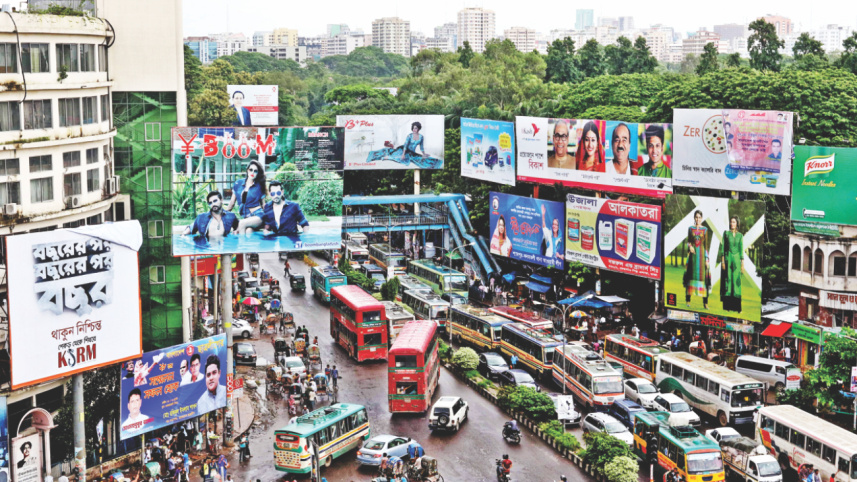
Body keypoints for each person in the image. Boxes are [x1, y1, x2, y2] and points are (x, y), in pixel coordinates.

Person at [226, 160, 267, 235]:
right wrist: (222, 215)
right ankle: (246, 246)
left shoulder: (259, 186)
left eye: (255, 171)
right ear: (247, 170)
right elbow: (231, 203)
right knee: (248, 231)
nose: (252, 172)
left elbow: (264, 205)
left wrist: (269, 222)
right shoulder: (238, 183)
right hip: (246, 218)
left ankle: (241, 246)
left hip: (258, 215)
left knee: (241, 223)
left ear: (258, 173)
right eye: (250, 170)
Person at [683, 210, 711, 310]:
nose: (697, 219)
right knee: (690, 276)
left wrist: (707, 259)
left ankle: (705, 303)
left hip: (702, 255)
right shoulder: (690, 228)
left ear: (701, 218)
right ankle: (688, 300)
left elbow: (706, 245)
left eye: (699, 217)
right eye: (696, 217)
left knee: (704, 279)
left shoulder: (705, 229)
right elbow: (688, 241)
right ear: (694, 218)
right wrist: (690, 246)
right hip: (693, 257)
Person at [719, 215, 745, 313]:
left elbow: (741, 250)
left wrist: (742, 264)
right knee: (728, 282)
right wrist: (722, 261)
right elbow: (723, 248)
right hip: (728, 259)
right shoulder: (726, 234)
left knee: (737, 283)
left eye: (734, 222)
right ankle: (727, 307)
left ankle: (738, 308)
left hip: (737, 260)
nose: (732, 224)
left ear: (737, 223)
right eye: (731, 222)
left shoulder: (740, 235)